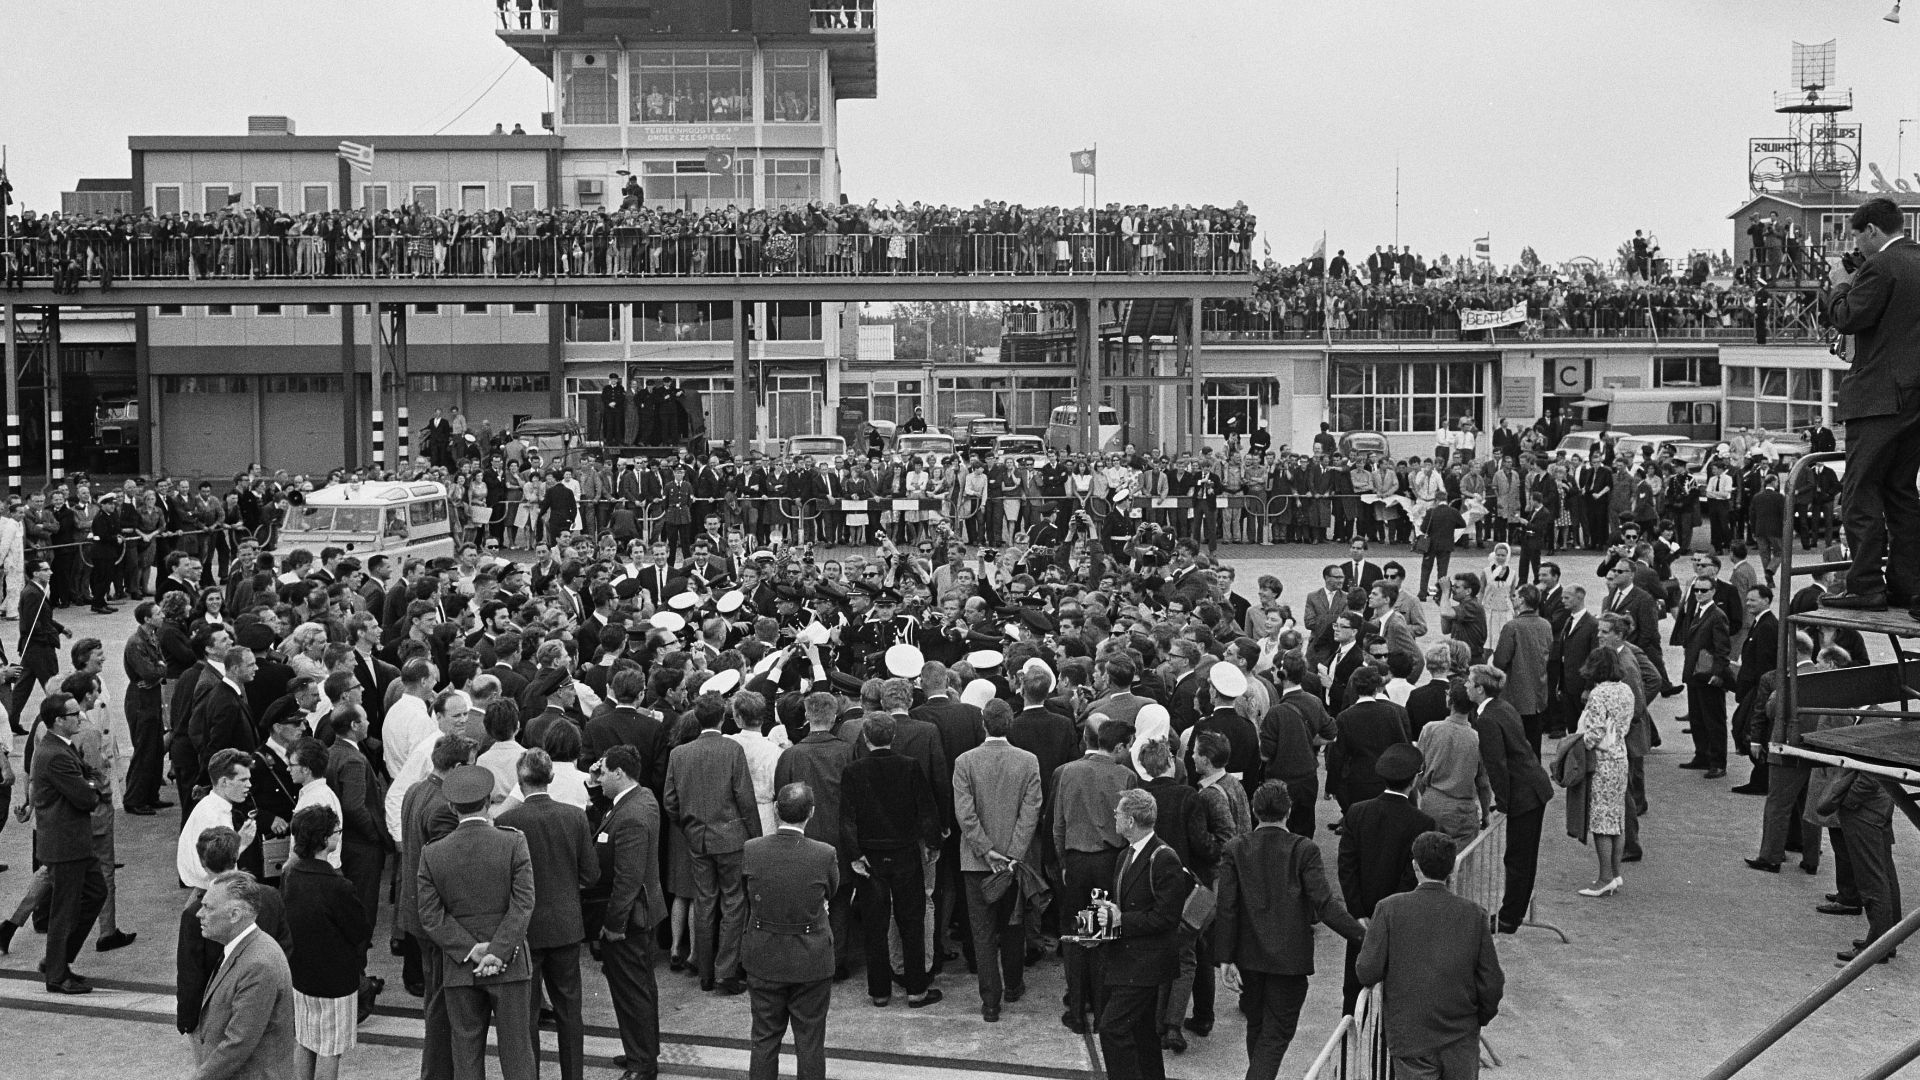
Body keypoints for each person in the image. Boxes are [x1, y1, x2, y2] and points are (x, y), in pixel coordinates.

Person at [1213, 780, 1366, 1080]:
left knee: (1257, 1028)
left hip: (1248, 957)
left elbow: (1227, 906)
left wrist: (1224, 958)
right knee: (1277, 1034)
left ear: (1255, 811)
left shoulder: (1235, 848)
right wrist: (1362, 934)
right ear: (1289, 811)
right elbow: (1325, 904)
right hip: (1289, 960)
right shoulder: (1303, 849)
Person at [1818, 196, 1920, 618]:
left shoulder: (1878, 266)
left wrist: (1841, 280)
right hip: (1915, 398)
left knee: (1859, 491)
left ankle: (1864, 584)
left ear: (1873, 230)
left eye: (1858, 236)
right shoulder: (1912, 260)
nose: (1856, 246)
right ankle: (1908, 585)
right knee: (1901, 491)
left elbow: (1846, 317)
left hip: (1878, 398)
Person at [416, 765, 537, 1080]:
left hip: (461, 967)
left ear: (452, 808)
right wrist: (498, 950)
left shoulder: (433, 854)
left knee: (466, 1054)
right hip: (510, 964)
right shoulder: (513, 842)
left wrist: (473, 950)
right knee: (518, 1052)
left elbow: (431, 915)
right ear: (488, 802)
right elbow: (523, 902)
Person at [1354, 832, 1506, 1080]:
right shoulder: (1474, 915)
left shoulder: (1389, 908)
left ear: (1415, 866)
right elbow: (1492, 980)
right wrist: (1478, 1019)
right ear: (1451, 870)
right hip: (1461, 1035)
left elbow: (1367, 970)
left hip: (1410, 1035)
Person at [497, 748, 599, 1080]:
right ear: (551, 778)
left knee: (526, 1014)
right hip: (567, 926)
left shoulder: (507, 823)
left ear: (519, 780)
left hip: (525, 931)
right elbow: (591, 874)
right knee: (570, 1011)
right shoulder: (575, 816)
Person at [840, 711, 943, 1008]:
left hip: (870, 856)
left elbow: (847, 818)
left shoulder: (854, 771)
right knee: (911, 921)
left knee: (875, 925)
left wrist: (855, 854)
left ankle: (880, 992)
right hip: (905, 852)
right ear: (893, 736)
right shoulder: (909, 767)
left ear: (864, 736)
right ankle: (916, 990)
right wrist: (932, 843)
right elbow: (926, 808)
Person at [741, 782, 840, 1080]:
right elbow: (831, 891)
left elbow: (747, 891)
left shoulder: (752, 849)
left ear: (775, 809)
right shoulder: (824, 854)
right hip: (811, 958)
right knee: (810, 1042)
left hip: (764, 955)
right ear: (810, 812)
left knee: (764, 1039)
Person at [952, 702, 1044, 1021]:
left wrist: (985, 849)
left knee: (982, 932)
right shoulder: (1028, 761)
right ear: (1010, 724)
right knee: (1013, 925)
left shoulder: (965, 761)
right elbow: (1030, 812)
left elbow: (965, 813)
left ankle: (990, 1001)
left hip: (976, 864)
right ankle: (1014, 985)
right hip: (1014, 865)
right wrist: (1012, 854)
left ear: (983, 723)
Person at [1093, 788, 1193, 1080]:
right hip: (1127, 959)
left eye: (1119, 813)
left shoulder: (1163, 858)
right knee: (1142, 1033)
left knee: (1112, 1028)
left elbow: (1167, 917)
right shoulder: (1126, 854)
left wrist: (1122, 920)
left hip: (1146, 964)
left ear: (1132, 821)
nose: (1115, 817)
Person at [664, 699, 761, 994]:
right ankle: (726, 971)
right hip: (731, 838)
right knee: (733, 902)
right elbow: (744, 797)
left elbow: (670, 801)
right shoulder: (732, 750)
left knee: (705, 901)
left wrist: (689, 826)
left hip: (698, 838)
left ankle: (705, 971)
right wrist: (754, 835)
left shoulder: (679, 754)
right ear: (723, 718)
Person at [1335, 743, 1433, 1014]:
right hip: (1398, 921)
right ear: (1415, 779)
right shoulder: (1422, 823)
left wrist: (1357, 912)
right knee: (1394, 994)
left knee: (1353, 993)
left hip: (1361, 920)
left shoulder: (1357, 812)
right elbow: (1410, 875)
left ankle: (1346, 1054)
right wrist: (1388, 914)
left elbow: (1347, 866)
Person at [280, 805, 371, 1080]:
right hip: (335, 981)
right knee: (330, 1049)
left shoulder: (291, 874)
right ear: (323, 839)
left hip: (301, 973)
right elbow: (359, 930)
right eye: (336, 832)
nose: (339, 836)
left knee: (305, 1039)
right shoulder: (338, 885)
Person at [592, 744, 664, 1080]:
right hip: (642, 914)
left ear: (620, 773)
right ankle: (643, 1050)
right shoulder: (641, 798)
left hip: (629, 919)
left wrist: (613, 924)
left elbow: (628, 879)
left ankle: (641, 1064)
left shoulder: (631, 816)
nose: (599, 775)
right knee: (640, 988)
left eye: (604, 771)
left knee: (632, 992)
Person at [28, 692, 107, 994]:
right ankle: (57, 975)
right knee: (64, 909)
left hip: (73, 843)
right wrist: (92, 787)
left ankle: (57, 960)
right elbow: (87, 796)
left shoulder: (61, 746)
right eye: (74, 714)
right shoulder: (57, 754)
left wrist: (89, 783)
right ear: (59, 720)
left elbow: (88, 778)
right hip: (65, 844)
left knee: (95, 893)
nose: (80, 717)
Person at [1466, 665, 1553, 935]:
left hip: (1524, 794)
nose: (1466, 686)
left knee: (1517, 859)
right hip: (1532, 788)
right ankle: (1512, 913)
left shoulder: (1487, 719)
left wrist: (1503, 803)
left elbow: (1497, 765)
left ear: (1481, 689)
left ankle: (1508, 919)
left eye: (1470, 682)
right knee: (1522, 857)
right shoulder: (1502, 707)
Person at [191, 870, 299, 1080]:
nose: (199, 914)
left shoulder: (258, 964)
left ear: (235, 915)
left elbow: (239, 1042)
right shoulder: (245, 949)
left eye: (208, 907)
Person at [1572, 647, 1634, 897]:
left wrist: (1577, 742)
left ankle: (1604, 877)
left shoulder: (1598, 694)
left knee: (1600, 821)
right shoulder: (1626, 690)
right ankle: (1615, 873)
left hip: (1601, 761)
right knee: (1616, 818)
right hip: (1620, 755)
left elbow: (1594, 733)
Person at [1414, 684, 1493, 848]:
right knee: (1460, 863)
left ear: (1449, 700)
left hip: (1431, 802)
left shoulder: (1429, 730)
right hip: (1461, 809)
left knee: (1431, 857)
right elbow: (1483, 783)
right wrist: (1485, 813)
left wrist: (1427, 794)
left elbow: (1418, 771)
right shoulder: (1477, 739)